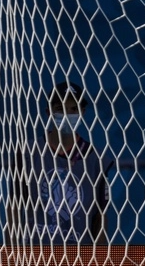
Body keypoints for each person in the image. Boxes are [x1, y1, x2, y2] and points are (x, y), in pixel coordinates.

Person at [7, 81, 109, 244]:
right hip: (37, 254)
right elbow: (14, 207)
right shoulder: (29, 153)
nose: (68, 114)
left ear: (82, 112)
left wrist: (99, 260)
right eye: (60, 109)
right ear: (49, 112)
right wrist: (12, 252)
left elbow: (100, 217)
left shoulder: (94, 158)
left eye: (74, 109)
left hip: (80, 258)